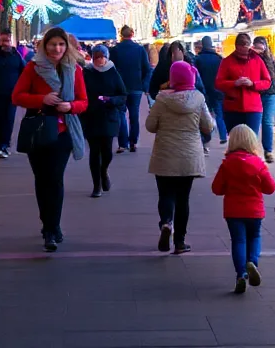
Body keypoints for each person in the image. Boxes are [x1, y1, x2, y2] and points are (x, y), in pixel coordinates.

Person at [12, 27, 88, 252]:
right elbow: (17, 96)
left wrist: (70, 106)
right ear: (45, 46)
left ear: (67, 47)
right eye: (53, 44)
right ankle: (47, 223)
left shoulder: (74, 70)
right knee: (42, 179)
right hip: (40, 130)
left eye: (61, 45)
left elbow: (84, 101)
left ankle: (52, 228)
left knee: (54, 179)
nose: (57, 48)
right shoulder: (33, 68)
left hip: (63, 132)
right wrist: (41, 99)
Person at [146, 61, 215, 255]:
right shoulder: (199, 98)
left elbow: (150, 126)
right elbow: (208, 127)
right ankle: (180, 242)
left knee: (166, 194)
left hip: (165, 154)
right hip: (189, 155)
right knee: (183, 199)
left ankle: (166, 223)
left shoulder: (161, 99)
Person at [212, 124, 275, 293]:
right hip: (254, 210)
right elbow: (270, 188)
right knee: (254, 236)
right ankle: (252, 262)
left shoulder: (227, 164)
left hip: (233, 211)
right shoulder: (258, 164)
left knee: (238, 241)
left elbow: (216, 189)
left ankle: (240, 274)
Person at [82, 44, 127, 198]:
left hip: (109, 117)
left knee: (107, 151)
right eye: (97, 57)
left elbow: (122, 95)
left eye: (102, 56)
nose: (100, 60)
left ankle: (104, 171)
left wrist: (111, 100)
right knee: (94, 152)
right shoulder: (86, 73)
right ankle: (96, 185)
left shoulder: (113, 72)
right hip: (91, 117)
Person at [215, 33, 272, 134]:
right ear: (236, 46)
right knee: (235, 140)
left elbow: (267, 82)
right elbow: (218, 83)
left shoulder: (257, 60)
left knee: (251, 140)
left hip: (253, 108)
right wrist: (234, 83)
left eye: (246, 45)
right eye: (241, 46)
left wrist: (253, 84)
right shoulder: (227, 61)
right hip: (232, 108)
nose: (244, 49)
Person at [111, 25, 152, 153]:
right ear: (132, 34)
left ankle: (123, 144)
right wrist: (144, 85)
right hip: (136, 87)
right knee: (134, 115)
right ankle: (133, 142)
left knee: (121, 114)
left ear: (121, 34)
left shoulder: (115, 50)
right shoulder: (140, 50)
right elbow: (147, 69)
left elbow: (111, 69)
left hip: (120, 87)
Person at [0, 30, 25, 158]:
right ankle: (0, 146)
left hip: (12, 95)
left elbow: (23, 72)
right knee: (0, 120)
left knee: (9, 119)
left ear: (11, 40)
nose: (5, 43)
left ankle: (5, 145)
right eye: (3, 40)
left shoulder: (16, 56)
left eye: (7, 40)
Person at [251, 36, 275, 163]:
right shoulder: (251, 58)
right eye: (256, 46)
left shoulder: (272, 58)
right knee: (255, 123)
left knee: (268, 122)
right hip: (256, 94)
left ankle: (268, 151)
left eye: (261, 46)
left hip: (270, 94)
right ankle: (252, 150)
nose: (259, 49)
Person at [195, 35, 227, 147]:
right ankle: (223, 136)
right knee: (220, 114)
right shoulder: (219, 59)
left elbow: (196, 77)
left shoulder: (198, 59)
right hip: (218, 91)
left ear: (203, 45)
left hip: (204, 92)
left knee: (204, 115)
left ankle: (206, 137)